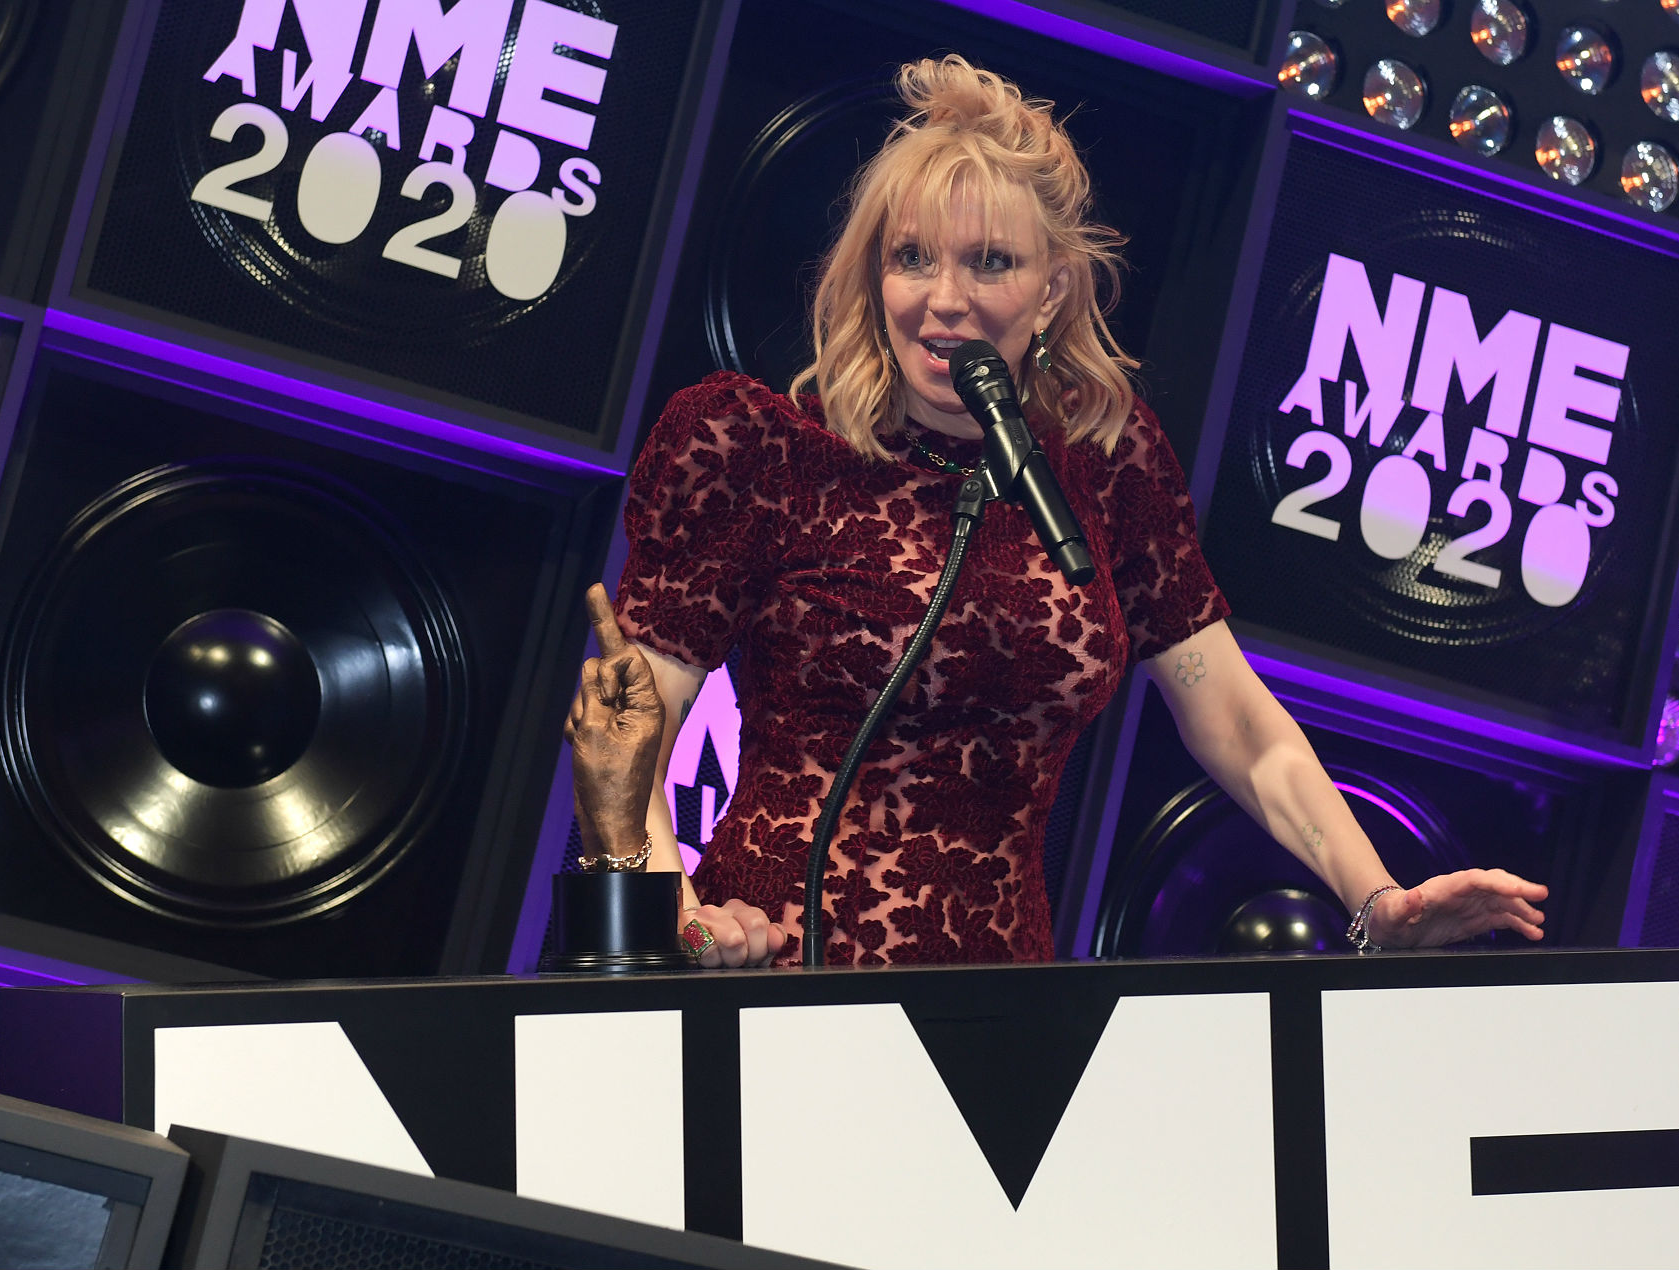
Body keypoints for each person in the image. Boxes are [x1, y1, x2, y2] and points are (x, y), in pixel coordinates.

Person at [597, 55, 1547, 969]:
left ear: (1052, 289)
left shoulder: (1104, 464)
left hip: (1002, 1004)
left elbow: (1237, 722)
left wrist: (1377, 900)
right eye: (912, 258)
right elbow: (626, 735)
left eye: (991, 262)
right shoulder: (760, 447)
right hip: (779, 977)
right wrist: (678, 920)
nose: (944, 300)